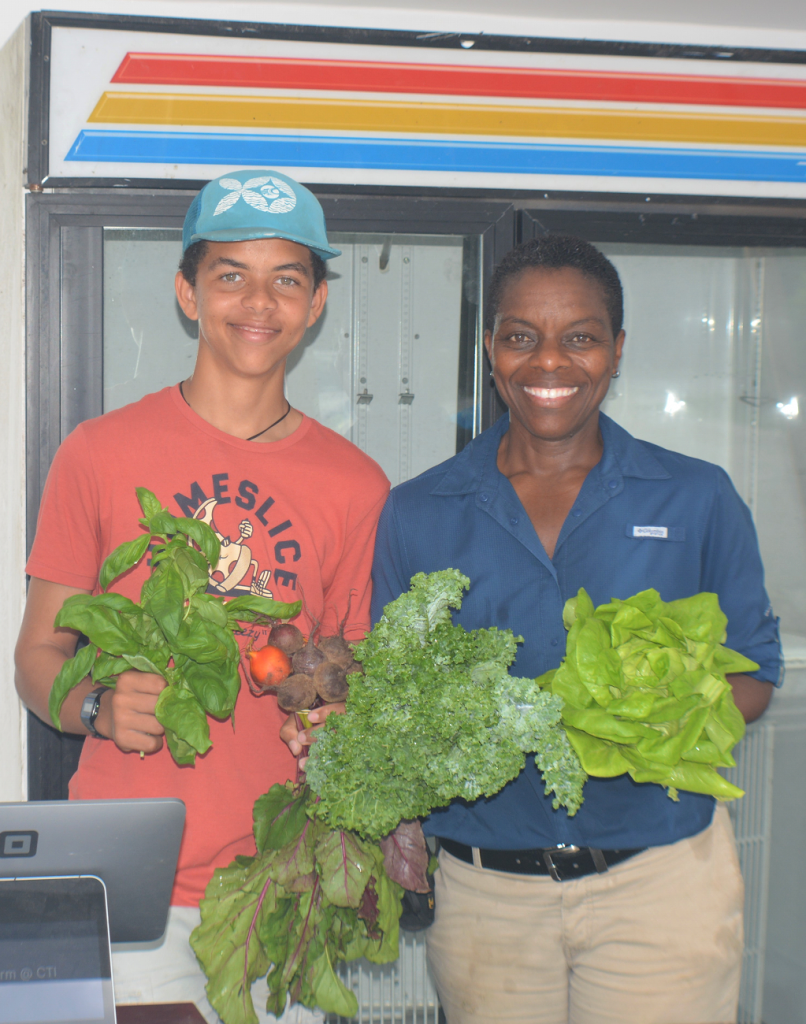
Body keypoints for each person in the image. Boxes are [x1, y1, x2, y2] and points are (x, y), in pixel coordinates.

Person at [346, 235, 779, 1024]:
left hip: (662, 881)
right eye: (521, 337)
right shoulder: (420, 509)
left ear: (616, 349)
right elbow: (391, 692)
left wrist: (649, 725)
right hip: (486, 897)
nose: (550, 363)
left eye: (580, 337)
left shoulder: (696, 497)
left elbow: (754, 671)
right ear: (491, 349)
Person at [15, 169, 389, 1024]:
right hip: (131, 881)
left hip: (280, 875)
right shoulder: (99, 453)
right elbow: (37, 657)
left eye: (286, 279)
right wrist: (96, 705)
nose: (258, 301)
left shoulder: (357, 485)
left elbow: (357, 670)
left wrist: (334, 713)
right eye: (231, 275)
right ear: (188, 292)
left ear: (317, 302)